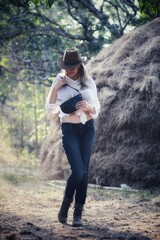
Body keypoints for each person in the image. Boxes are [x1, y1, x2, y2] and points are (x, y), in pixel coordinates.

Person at [45, 48, 100, 226]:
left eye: (73, 66)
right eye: (67, 66)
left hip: (88, 128)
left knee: (84, 173)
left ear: (79, 65)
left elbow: (96, 108)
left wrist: (88, 107)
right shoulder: (59, 80)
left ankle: (78, 214)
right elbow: (51, 109)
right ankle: (64, 206)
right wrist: (56, 88)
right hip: (69, 129)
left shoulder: (88, 81)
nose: (70, 69)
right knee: (77, 171)